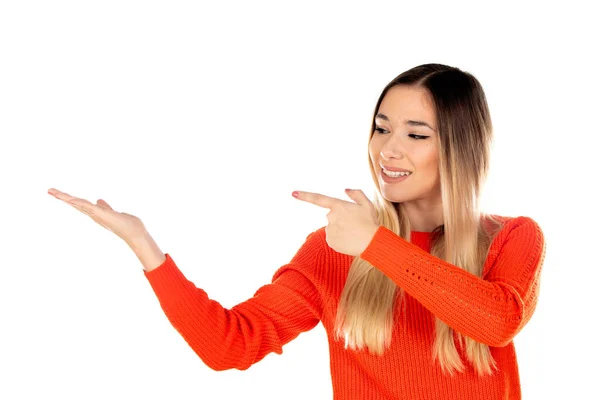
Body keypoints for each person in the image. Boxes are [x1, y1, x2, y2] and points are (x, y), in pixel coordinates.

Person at [47, 63, 546, 399]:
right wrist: (145, 247)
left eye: (416, 135)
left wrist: (376, 243)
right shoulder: (332, 249)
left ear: (461, 148)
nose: (388, 150)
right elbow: (231, 345)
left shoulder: (513, 237)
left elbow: (495, 321)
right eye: (381, 127)